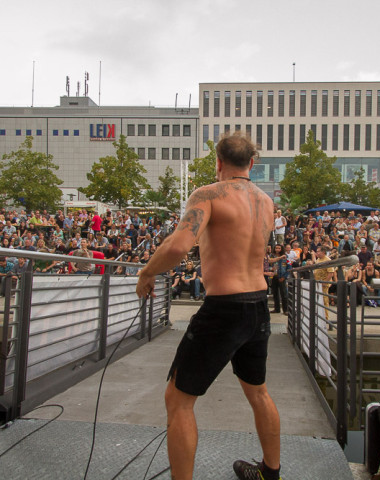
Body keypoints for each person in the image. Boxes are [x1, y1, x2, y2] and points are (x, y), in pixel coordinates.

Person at [136, 133, 282, 480]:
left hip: (224, 309)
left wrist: (146, 272)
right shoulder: (266, 202)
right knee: (259, 392)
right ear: (252, 163)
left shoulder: (208, 194)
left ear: (218, 163)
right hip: (258, 305)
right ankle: (270, 473)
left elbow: (177, 247)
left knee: (179, 399)